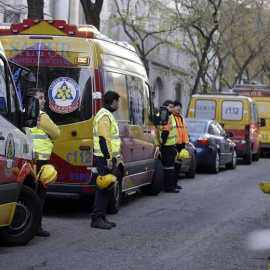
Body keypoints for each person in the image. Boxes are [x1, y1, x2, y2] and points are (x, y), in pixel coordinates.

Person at [29, 88, 60, 237]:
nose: (44, 101)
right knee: (40, 194)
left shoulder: (22, 113)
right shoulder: (41, 116)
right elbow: (56, 132)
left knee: (30, 194)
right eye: (40, 98)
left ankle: (28, 224)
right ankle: (37, 227)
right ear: (33, 100)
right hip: (40, 160)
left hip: (28, 158)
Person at [91, 90, 121, 229]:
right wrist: (109, 159)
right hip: (104, 157)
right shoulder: (104, 115)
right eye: (118, 101)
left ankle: (101, 216)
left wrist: (116, 154)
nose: (119, 104)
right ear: (113, 101)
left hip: (108, 156)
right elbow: (104, 139)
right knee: (103, 186)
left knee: (106, 186)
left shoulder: (108, 115)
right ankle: (96, 218)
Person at [159, 100, 179, 193]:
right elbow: (165, 131)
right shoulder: (166, 116)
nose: (172, 109)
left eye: (172, 107)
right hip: (167, 145)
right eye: (170, 107)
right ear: (165, 107)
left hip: (166, 145)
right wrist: (162, 142)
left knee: (166, 167)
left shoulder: (166, 115)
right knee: (169, 167)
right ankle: (169, 187)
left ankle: (165, 185)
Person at [172, 100, 189, 189]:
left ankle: (175, 183)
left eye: (180, 106)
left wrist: (184, 143)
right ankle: (171, 184)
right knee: (172, 166)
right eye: (177, 106)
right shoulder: (172, 117)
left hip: (181, 145)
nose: (179, 108)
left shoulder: (181, 118)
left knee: (178, 165)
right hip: (174, 144)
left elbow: (184, 131)